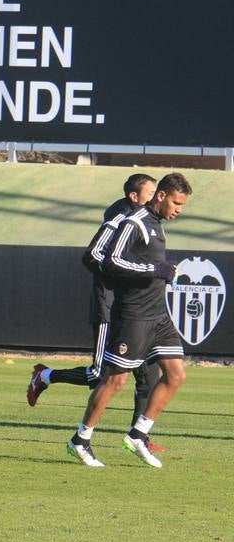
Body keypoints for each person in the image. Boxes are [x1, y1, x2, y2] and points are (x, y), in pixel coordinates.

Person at [27, 173, 164, 452]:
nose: (155, 198)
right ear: (134, 197)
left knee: (147, 373)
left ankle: (139, 437)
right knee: (99, 375)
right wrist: (121, 277)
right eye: (150, 194)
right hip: (110, 304)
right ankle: (44, 376)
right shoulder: (121, 219)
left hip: (136, 309)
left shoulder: (149, 223)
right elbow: (93, 255)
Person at [66, 172, 193, 469]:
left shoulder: (157, 226)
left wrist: (163, 272)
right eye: (176, 203)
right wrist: (155, 269)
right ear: (160, 196)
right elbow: (110, 261)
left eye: (183, 205)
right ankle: (80, 440)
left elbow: (151, 267)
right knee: (115, 381)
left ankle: (138, 434)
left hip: (159, 316)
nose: (179, 210)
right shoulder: (133, 223)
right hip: (134, 317)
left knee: (175, 375)